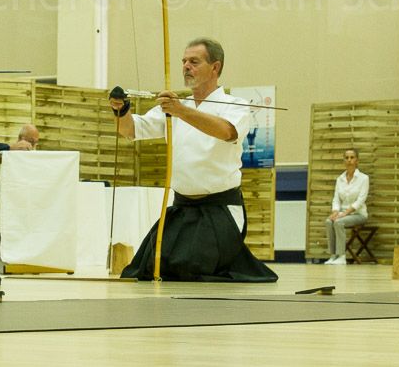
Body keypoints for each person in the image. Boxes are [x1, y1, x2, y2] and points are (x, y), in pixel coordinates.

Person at [109, 38, 277, 282]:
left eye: (194, 62)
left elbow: (226, 131)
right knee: (150, 267)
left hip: (219, 212)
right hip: (182, 210)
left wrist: (180, 110)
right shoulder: (175, 107)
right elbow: (130, 130)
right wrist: (121, 110)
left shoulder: (235, 106)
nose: (186, 66)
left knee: (192, 266)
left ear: (215, 67)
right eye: (184, 61)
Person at [323, 147, 368, 265]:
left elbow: (360, 200)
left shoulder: (364, 178)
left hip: (358, 214)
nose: (349, 160)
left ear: (357, 160)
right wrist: (335, 212)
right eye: (346, 157)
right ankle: (333, 255)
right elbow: (336, 199)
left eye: (352, 157)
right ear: (343, 160)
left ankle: (341, 256)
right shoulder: (340, 179)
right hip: (342, 213)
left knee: (339, 222)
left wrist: (344, 213)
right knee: (329, 221)